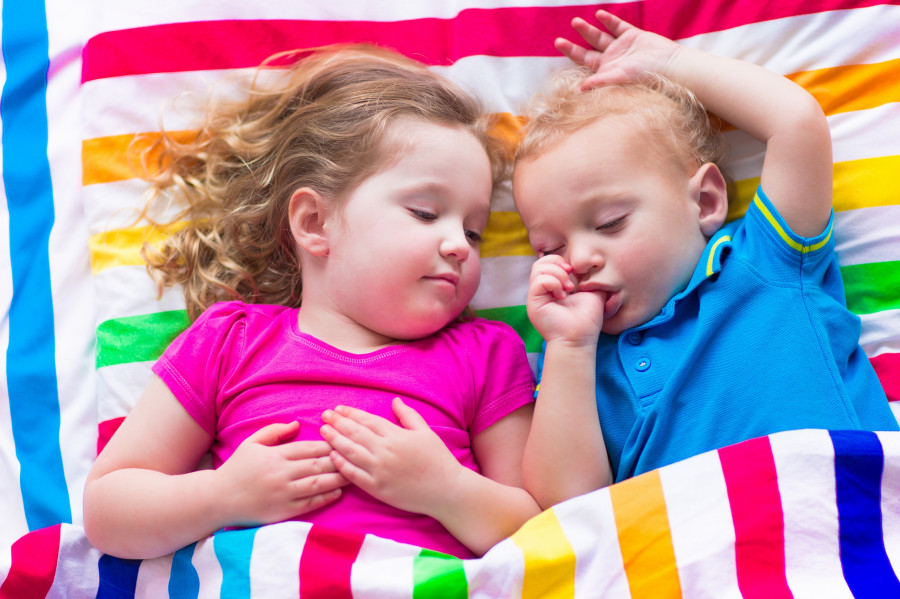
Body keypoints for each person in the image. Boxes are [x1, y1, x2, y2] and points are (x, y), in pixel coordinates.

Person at [83, 44, 540, 560]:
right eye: (425, 213)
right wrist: (222, 496)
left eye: (474, 232)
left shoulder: (484, 355)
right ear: (314, 223)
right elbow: (108, 509)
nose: (459, 244)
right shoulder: (230, 342)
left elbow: (543, 530)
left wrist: (447, 490)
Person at [515, 11, 899, 509]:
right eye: (550, 248)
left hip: (837, 524)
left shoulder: (764, 264)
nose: (580, 258)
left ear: (705, 203)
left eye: (610, 223)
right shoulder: (575, 360)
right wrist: (568, 349)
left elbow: (795, 123)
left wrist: (673, 61)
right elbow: (565, 508)